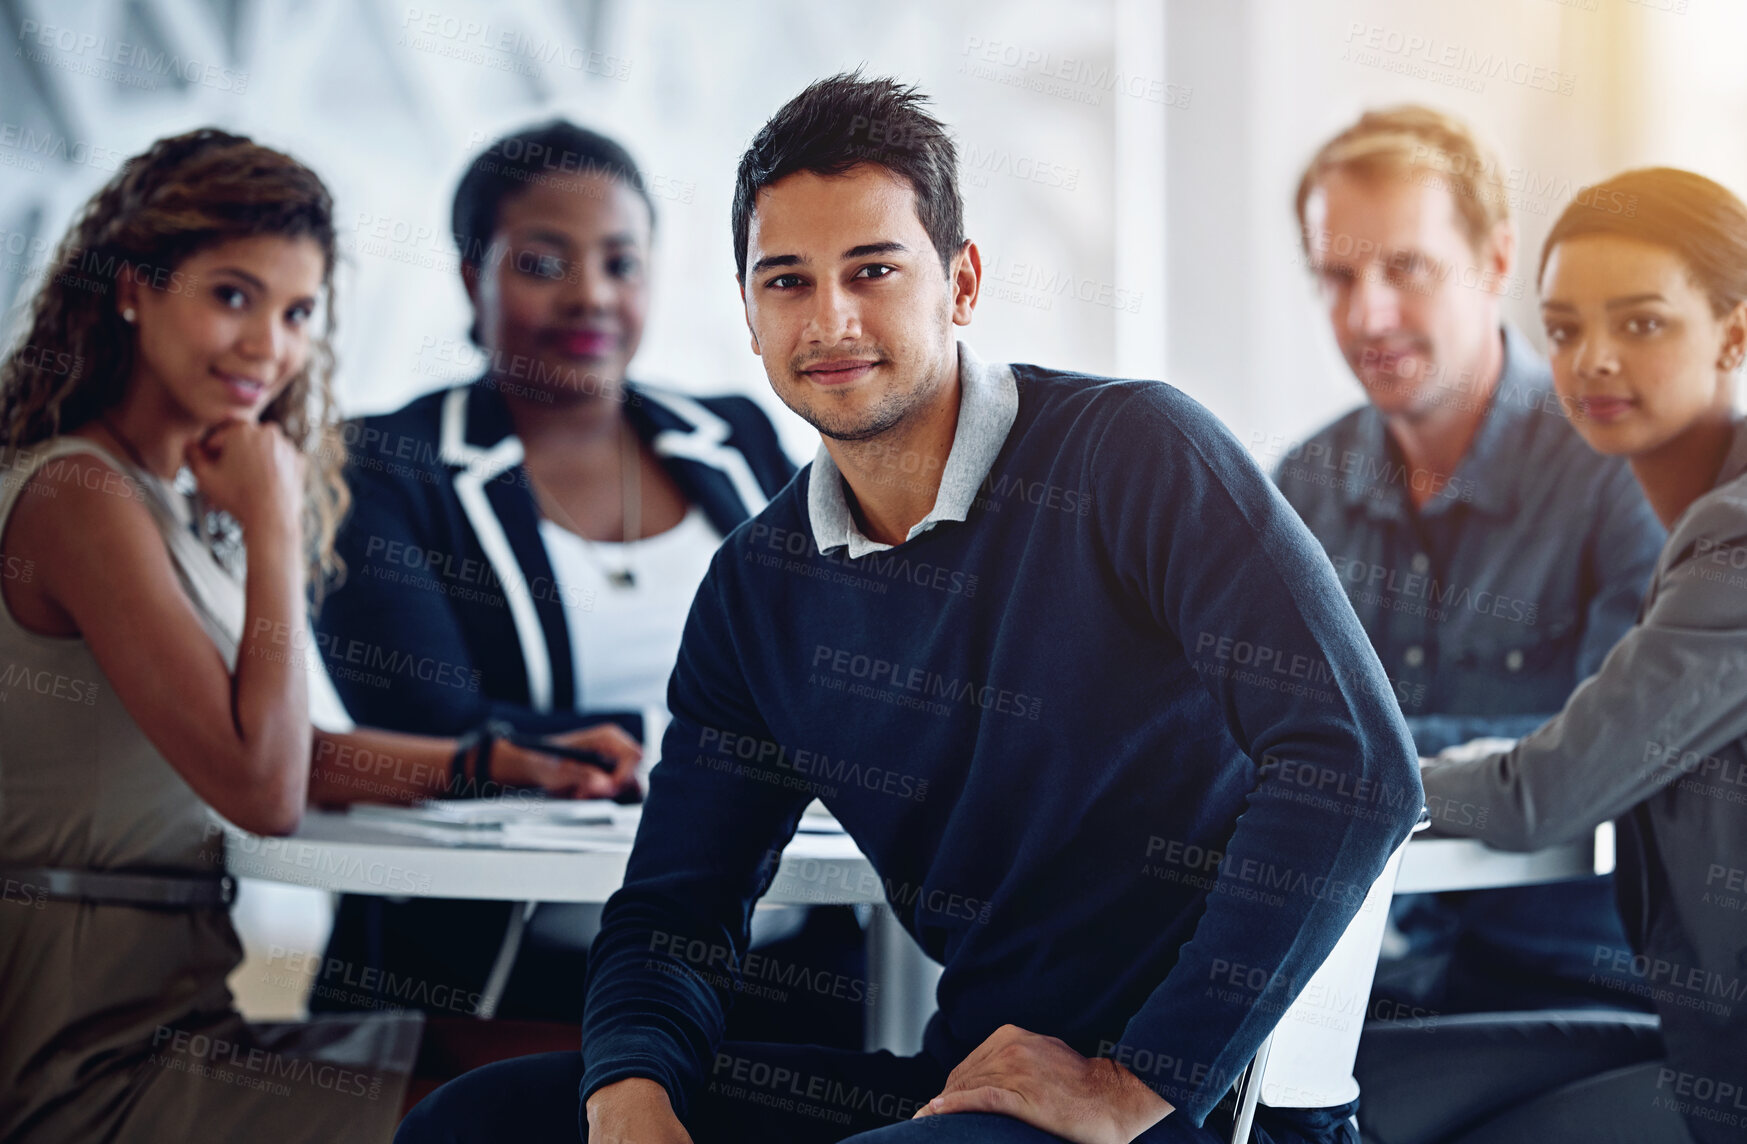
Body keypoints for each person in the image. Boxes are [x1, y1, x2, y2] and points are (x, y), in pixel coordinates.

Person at [397, 72, 1421, 1144]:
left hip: (1201, 1104)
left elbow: (1353, 764)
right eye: (786, 281)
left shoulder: (1135, 453)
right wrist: (632, 1103)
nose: (830, 318)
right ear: (747, 313)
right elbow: (674, 909)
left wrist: (1134, 1079)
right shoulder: (759, 586)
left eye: (873, 269)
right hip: (971, 1083)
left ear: (961, 282)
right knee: (482, 1124)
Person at [0, 128, 639, 1143]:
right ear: (133, 289)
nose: (270, 346)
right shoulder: (81, 494)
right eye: (232, 295)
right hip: (92, 1056)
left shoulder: (151, 500)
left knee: (606, 1063)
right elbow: (262, 784)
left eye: (297, 311)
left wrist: (514, 762)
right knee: (542, 1113)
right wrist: (272, 523)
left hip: (199, 1016)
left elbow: (270, 745)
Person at [307, 122, 831, 1038]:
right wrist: (696, 756)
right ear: (472, 278)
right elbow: (426, 724)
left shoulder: (737, 436)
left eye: (621, 263)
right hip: (516, 989)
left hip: (791, 970)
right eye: (543, 264)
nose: (590, 295)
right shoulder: (383, 464)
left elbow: (844, 656)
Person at [1358, 167, 1747, 1144]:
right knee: (1354, 1090)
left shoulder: (1735, 545)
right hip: (1695, 1030)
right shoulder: (1700, 530)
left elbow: (1548, 795)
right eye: (1565, 329)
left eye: (1641, 324)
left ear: (1734, 335)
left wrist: (1352, 771)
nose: (1592, 362)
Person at [1282, 105, 1666, 1014]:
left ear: (1496, 262)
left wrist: (1342, 762)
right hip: (1372, 969)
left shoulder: (1623, 472)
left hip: (1572, 983)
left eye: (1404, 268)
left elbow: (1602, 761)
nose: (1365, 313)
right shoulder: (1300, 485)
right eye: (1335, 276)